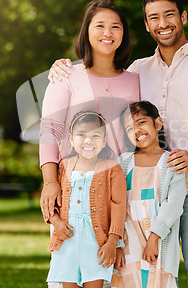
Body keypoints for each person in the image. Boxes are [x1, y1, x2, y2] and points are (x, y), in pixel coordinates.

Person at [49, 0, 188, 288]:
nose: (163, 23)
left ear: (184, 17)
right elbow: (102, 85)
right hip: (143, 192)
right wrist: (63, 67)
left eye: (169, 15)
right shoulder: (137, 71)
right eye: (154, 18)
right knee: (140, 273)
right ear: (147, 24)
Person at [39, 0, 140, 287]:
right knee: (70, 270)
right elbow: (50, 128)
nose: (108, 32)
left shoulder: (134, 79)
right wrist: (50, 181)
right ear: (87, 32)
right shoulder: (66, 75)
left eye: (115, 26)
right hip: (76, 189)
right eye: (100, 25)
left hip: (124, 184)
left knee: (115, 273)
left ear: (123, 34)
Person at [46, 111, 127, 288]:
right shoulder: (63, 166)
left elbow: (119, 207)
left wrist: (112, 242)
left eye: (95, 135)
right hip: (67, 239)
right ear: (71, 139)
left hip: (97, 242)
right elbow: (49, 200)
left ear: (105, 140)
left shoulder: (112, 169)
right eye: (81, 135)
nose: (88, 141)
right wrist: (55, 222)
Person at [111, 101, 186, 288]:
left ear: (158, 124)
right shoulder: (123, 163)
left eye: (141, 123)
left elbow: (174, 205)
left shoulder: (172, 162)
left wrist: (154, 237)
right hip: (129, 243)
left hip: (159, 240)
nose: (136, 130)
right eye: (129, 128)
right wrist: (118, 245)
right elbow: (116, 204)